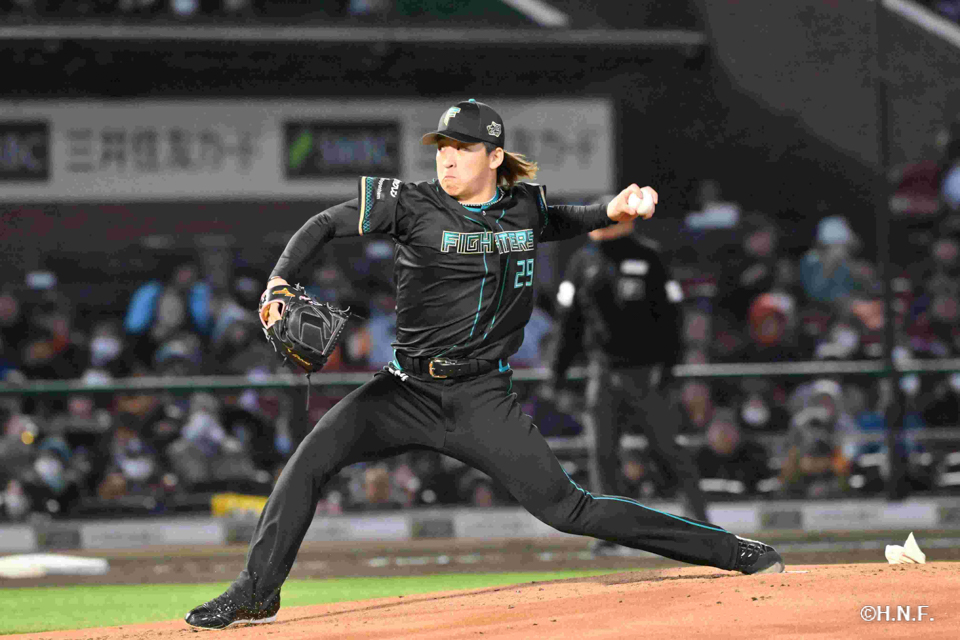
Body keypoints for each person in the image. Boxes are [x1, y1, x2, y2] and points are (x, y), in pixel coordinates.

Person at [184, 99, 785, 630]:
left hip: (481, 399)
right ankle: (257, 592)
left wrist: (613, 207)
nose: (447, 158)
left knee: (570, 509)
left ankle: (731, 550)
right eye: (442, 147)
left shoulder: (524, 208)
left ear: (495, 157)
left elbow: (567, 218)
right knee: (308, 463)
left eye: (463, 148)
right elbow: (323, 224)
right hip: (404, 391)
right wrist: (279, 281)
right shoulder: (411, 204)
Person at [544, 214, 710, 557]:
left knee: (668, 448)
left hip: (644, 373)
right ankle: (611, 534)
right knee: (602, 454)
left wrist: (669, 367)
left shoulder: (649, 256)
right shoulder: (583, 260)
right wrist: (557, 372)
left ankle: (703, 525)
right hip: (601, 372)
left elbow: (671, 315)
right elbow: (569, 322)